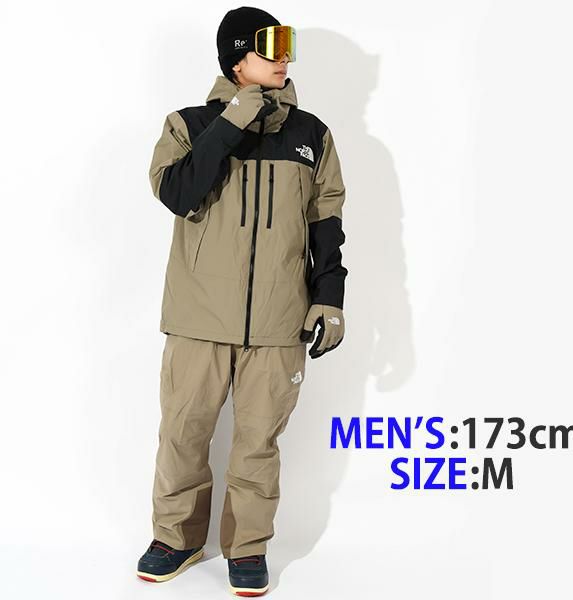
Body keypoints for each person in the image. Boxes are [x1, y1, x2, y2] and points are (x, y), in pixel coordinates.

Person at [136, 6, 348, 596]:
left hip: (280, 320)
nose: (284, 58)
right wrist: (233, 119)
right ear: (236, 57)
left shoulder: (311, 135)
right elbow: (178, 192)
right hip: (198, 317)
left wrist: (329, 297)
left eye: (287, 45)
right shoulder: (188, 124)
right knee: (183, 435)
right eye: (269, 47)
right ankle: (175, 539)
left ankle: (248, 546)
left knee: (258, 443)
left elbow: (326, 220)